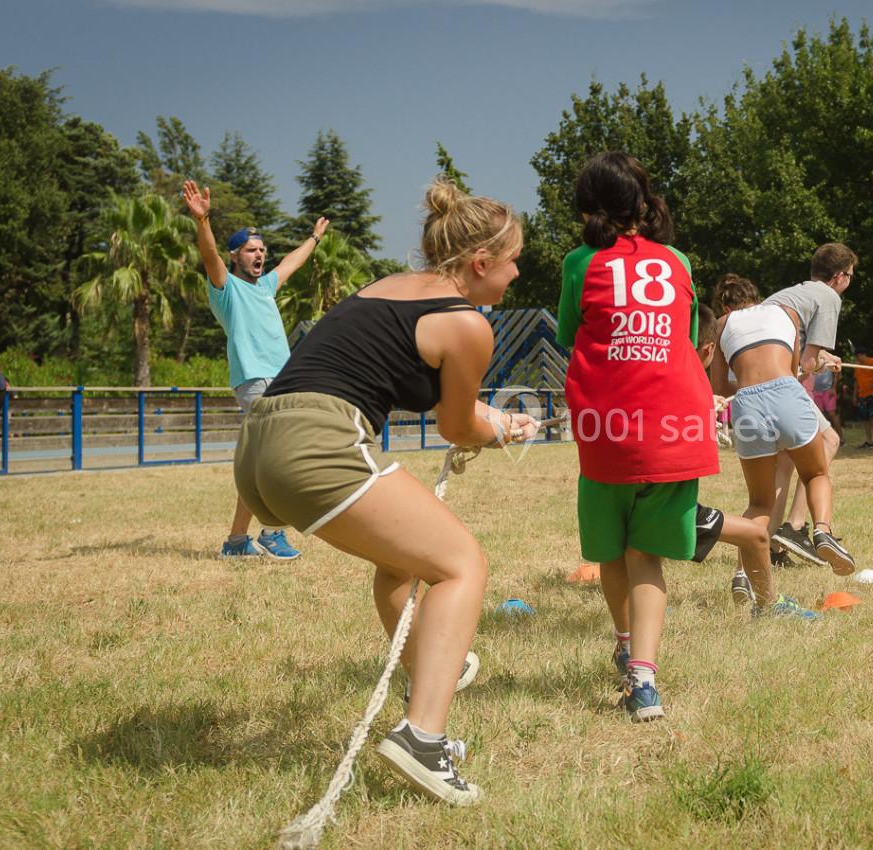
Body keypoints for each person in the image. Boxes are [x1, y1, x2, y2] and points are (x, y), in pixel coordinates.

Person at [233, 178, 534, 806]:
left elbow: (434, 396)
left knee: (402, 566)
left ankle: (432, 666)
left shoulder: (384, 290)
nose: (514, 278)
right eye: (512, 264)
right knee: (462, 565)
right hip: (317, 442)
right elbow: (457, 426)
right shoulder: (468, 325)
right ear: (480, 264)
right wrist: (499, 429)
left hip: (261, 445)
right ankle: (423, 737)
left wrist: (491, 421)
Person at [555, 151, 720, 723]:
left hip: (610, 426)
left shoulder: (581, 260)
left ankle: (627, 645)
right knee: (646, 553)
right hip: (679, 422)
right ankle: (643, 679)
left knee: (611, 551)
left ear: (587, 207)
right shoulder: (677, 259)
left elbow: (568, 333)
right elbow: (688, 336)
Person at [183, 180, 328, 560]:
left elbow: (291, 263)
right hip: (255, 380)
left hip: (280, 380)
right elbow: (209, 253)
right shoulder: (225, 287)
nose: (260, 254)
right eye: (251, 250)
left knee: (259, 463)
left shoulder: (265, 287)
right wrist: (203, 221)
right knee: (277, 458)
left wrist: (314, 239)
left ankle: (235, 542)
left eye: (262, 249)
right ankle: (272, 532)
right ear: (235, 256)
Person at [710, 274, 856, 579]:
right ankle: (822, 532)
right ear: (756, 296)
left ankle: (743, 574)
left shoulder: (722, 325)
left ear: (724, 305)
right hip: (786, 394)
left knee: (760, 503)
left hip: (747, 405)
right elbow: (793, 371)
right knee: (816, 473)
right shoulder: (784, 313)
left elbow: (722, 388)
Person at [691, 303, 793, 609]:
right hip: (670, 505)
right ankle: (769, 607)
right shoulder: (689, 382)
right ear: (709, 349)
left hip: (620, 493)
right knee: (756, 536)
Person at [762, 243, 857, 563]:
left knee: (786, 461)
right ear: (840, 276)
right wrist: (822, 362)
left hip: (753, 381)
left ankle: (770, 546)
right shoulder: (828, 296)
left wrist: (821, 359)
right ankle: (795, 526)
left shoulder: (787, 295)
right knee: (828, 440)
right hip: (778, 382)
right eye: (851, 276)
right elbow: (808, 362)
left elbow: (799, 357)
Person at [852, 349, 873, 449]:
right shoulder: (857, 366)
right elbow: (856, 382)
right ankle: (869, 441)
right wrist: (855, 396)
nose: (857, 359)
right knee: (865, 418)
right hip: (862, 394)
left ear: (862, 354)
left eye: (857, 356)